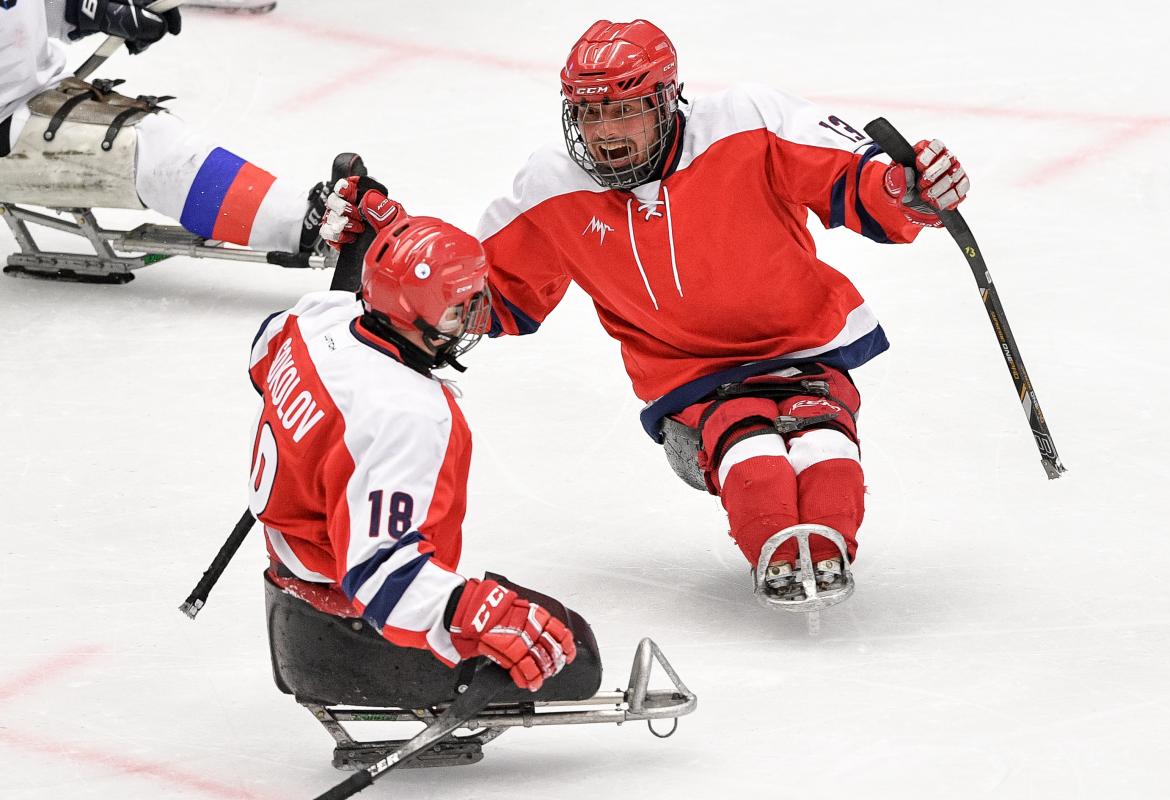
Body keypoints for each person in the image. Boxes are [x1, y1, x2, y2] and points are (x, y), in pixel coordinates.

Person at [469, 20, 971, 610]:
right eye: (590, 113)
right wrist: (386, 257)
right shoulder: (551, 186)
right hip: (692, 381)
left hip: (802, 346)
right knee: (750, 451)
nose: (604, 132)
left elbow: (852, 176)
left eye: (625, 110)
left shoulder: (749, 122)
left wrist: (907, 188)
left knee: (823, 443)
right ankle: (781, 555)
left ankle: (830, 548)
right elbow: (482, 293)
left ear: (665, 100)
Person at [249, 184, 576, 691]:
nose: (473, 319)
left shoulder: (314, 319)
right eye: (455, 308)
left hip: (290, 570)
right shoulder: (405, 415)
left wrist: (389, 254)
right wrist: (468, 610)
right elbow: (379, 573)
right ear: (407, 312)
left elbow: (261, 357)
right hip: (347, 623)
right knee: (572, 654)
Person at [1, 0, 328, 261]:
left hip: (35, 91)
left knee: (148, 135)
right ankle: (303, 224)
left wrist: (91, 9)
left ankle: (303, 218)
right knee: (145, 144)